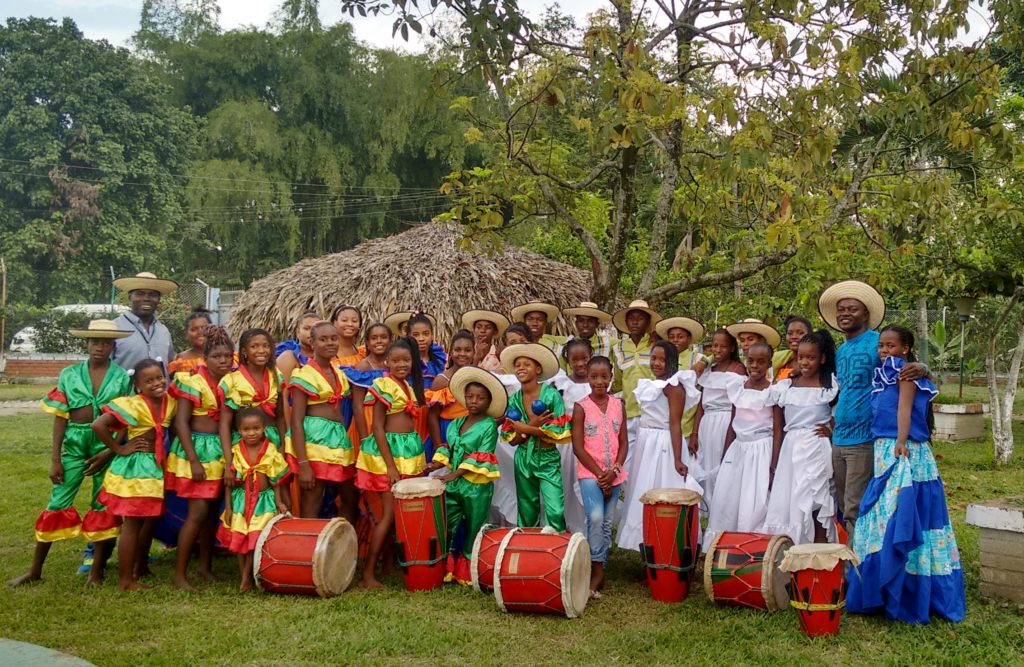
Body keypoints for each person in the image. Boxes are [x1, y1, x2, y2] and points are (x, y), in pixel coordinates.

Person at [846, 326, 965, 624]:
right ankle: (882, 588)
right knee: (884, 515)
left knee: (905, 515)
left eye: (891, 345)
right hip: (883, 449)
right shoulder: (882, 375)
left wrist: (900, 440)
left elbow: (904, 408)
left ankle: (911, 588)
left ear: (905, 348)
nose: (884, 350)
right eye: (881, 346)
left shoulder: (907, 374)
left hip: (904, 450)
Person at [7, 320, 133, 588]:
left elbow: (125, 420)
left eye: (105, 342)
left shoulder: (122, 377)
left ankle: (96, 571)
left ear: (113, 346)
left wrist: (111, 453)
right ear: (86, 344)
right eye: (94, 342)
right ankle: (35, 570)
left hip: (106, 445)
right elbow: (60, 418)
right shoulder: (69, 374)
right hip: (74, 445)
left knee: (103, 506)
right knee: (57, 502)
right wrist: (55, 458)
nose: (99, 347)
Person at [819, 280, 926, 541]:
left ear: (866, 314)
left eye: (852, 309)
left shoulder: (878, 343)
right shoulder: (842, 350)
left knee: (856, 506)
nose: (845, 313)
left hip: (865, 438)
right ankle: (852, 562)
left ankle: (859, 571)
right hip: (839, 437)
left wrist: (923, 368)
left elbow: (906, 368)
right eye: (841, 309)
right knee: (843, 505)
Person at [92, 358, 177, 591]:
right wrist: (119, 448)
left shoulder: (170, 402)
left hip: (156, 467)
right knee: (132, 523)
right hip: (135, 470)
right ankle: (125, 580)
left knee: (150, 520)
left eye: (159, 377)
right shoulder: (133, 404)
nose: (156, 383)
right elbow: (98, 425)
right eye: (148, 381)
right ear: (138, 386)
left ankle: (140, 567)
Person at [616, 341, 704, 552]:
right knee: (642, 486)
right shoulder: (650, 383)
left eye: (662, 359)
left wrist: (676, 458)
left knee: (662, 484)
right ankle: (643, 540)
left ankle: (666, 539)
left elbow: (675, 423)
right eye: (653, 358)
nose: (656, 363)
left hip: (664, 443)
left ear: (672, 361)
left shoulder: (674, 387)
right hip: (646, 442)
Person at [355, 337, 428, 588]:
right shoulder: (383, 384)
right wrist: (390, 466)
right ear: (386, 361)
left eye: (406, 360)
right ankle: (367, 573)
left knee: (397, 514)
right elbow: (377, 426)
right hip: (390, 454)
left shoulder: (406, 385)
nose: (401, 364)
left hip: (406, 451)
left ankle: (387, 564)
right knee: (388, 514)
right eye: (395, 360)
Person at [166, 325, 234, 591]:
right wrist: (193, 460)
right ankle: (180, 574)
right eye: (217, 356)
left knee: (211, 513)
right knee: (197, 512)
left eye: (227, 356)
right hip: (196, 450)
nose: (223, 361)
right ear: (205, 357)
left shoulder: (230, 382)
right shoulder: (191, 381)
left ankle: (205, 567)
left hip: (220, 450)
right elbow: (181, 423)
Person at [425, 367, 506, 585]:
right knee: (449, 525)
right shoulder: (455, 424)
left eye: (480, 398)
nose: (474, 401)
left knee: (473, 526)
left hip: (476, 486)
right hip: (455, 485)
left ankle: (467, 570)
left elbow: (483, 456)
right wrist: (433, 465)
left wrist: (453, 475)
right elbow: (448, 450)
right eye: (470, 397)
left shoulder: (489, 425)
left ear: (488, 402)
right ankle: (449, 566)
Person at [762, 331, 839, 544]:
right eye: (801, 357)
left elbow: (836, 418)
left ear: (822, 359)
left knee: (817, 500)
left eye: (811, 357)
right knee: (791, 499)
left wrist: (831, 435)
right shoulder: (787, 386)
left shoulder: (830, 387)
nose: (804, 362)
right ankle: (790, 551)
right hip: (791, 447)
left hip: (816, 447)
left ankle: (820, 552)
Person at [704, 342, 775, 549]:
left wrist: (773, 464)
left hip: (761, 449)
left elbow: (779, 429)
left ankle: (751, 546)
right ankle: (725, 545)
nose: (755, 366)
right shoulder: (738, 389)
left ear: (769, 364)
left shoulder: (774, 391)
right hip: (738, 448)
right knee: (729, 495)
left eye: (761, 362)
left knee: (754, 498)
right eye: (751, 361)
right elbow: (732, 425)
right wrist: (726, 454)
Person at [498, 343, 571, 531]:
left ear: (538, 369)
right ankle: (529, 550)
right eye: (517, 365)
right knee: (527, 511)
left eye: (527, 364)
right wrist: (532, 425)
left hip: (548, 459)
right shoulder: (513, 400)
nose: (521, 367)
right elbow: (513, 440)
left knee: (555, 510)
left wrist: (524, 429)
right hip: (523, 459)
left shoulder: (551, 396)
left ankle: (559, 552)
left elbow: (556, 435)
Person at [571, 355, 627, 599]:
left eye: (604, 376)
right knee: (594, 517)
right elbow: (578, 446)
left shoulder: (618, 404)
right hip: (590, 474)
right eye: (594, 377)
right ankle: (595, 568)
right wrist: (598, 474)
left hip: (614, 473)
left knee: (606, 520)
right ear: (587, 378)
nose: (599, 381)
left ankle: (601, 566)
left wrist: (614, 469)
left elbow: (623, 442)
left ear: (611, 376)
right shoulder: (581, 407)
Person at [218, 408, 291, 592]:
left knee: (256, 537)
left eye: (256, 428)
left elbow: (275, 481)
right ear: (239, 431)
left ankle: (246, 577)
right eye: (246, 429)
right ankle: (245, 574)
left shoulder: (270, 450)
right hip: (240, 501)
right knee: (241, 537)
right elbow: (229, 484)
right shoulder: (235, 452)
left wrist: (280, 501)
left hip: (263, 501)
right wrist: (227, 507)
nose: (251, 433)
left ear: (264, 428)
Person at [289, 321, 355, 521]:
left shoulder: (339, 373)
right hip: (314, 443)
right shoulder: (304, 374)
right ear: (312, 342)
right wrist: (303, 463)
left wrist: (344, 438)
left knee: (350, 496)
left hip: (338, 442)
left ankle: (341, 547)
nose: (330, 343)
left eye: (333, 338)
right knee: (313, 499)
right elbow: (296, 420)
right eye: (323, 339)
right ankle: (309, 549)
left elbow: (339, 413)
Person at [690, 329, 746, 508]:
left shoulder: (738, 369)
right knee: (705, 461)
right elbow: (701, 404)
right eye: (715, 345)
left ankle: (721, 506)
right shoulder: (709, 370)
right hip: (707, 423)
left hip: (726, 421)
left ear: (731, 348)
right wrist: (694, 432)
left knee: (721, 463)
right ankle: (705, 507)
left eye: (723, 346)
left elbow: (738, 403)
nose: (718, 349)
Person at [610, 299, 662, 484]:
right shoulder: (618, 348)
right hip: (628, 411)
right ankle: (626, 506)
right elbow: (616, 382)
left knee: (650, 460)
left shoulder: (657, 345)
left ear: (648, 322)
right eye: (631, 318)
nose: (635, 322)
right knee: (627, 459)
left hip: (653, 411)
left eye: (640, 318)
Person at [545, 338, 593, 534]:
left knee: (585, 486)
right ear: (567, 360)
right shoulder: (560, 384)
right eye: (575, 360)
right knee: (563, 484)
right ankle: (562, 527)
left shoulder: (597, 383)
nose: (581, 364)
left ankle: (584, 528)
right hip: (565, 444)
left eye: (585, 359)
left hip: (590, 443)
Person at [110, 272, 177, 373]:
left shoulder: (163, 331)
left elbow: (171, 367)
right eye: (139, 294)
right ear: (130, 297)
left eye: (152, 295)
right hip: (124, 389)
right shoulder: (114, 328)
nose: (146, 298)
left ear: (158, 299)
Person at [426, 330, 476, 464]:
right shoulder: (442, 380)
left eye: (467, 350)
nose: (462, 354)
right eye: (457, 350)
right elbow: (432, 416)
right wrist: (438, 447)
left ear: (473, 354)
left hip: (471, 432)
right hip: (446, 432)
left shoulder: (478, 378)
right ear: (451, 354)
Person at [654, 316, 707, 438]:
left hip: (688, 422)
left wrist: (695, 432)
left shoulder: (697, 359)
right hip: (664, 422)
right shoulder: (662, 358)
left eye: (680, 337)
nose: (675, 340)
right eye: (671, 337)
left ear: (689, 339)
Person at [276, 312, 320, 387]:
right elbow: (282, 393)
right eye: (307, 328)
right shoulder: (289, 357)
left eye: (316, 329)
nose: (311, 332)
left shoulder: (329, 356)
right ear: (298, 332)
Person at [167, 308, 213, 375]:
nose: (200, 332)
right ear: (186, 335)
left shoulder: (222, 355)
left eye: (204, 328)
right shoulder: (182, 360)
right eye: (194, 329)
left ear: (213, 329)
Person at [772, 316, 812, 382]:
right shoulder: (779, 361)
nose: (794, 337)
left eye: (800, 333)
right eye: (790, 333)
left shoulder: (816, 363)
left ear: (810, 335)